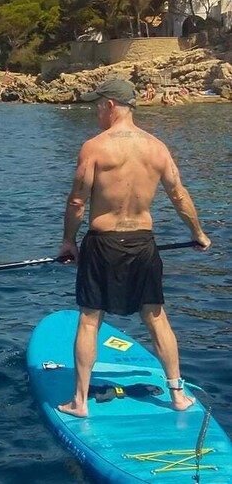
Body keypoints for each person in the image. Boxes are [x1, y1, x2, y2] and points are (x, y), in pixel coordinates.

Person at [57, 79, 211, 418]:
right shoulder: (157, 148)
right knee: (156, 317)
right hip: (143, 244)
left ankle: (80, 402)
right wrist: (197, 233)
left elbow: (78, 201)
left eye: (97, 105)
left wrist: (68, 241)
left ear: (111, 105)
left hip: (103, 244)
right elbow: (179, 195)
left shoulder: (95, 148)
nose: (95, 111)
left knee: (89, 320)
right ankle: (177, 395)